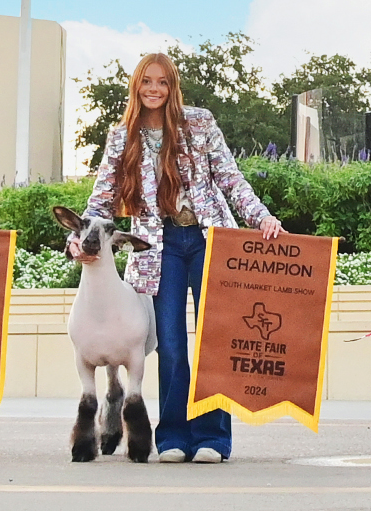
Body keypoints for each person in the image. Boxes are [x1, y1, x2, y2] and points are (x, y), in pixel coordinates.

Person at [70, 53, 285, 464]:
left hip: (208, 239)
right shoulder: (121, 137)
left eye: (162, 82)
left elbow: (229, 178)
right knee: (169, 344)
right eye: (146, 82)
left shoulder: (199, 122)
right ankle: (171, 436)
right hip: (157, 246)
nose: (154, 89)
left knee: (214, 338)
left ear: (173, 87)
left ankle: (212, 437)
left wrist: (262, 218)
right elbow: (101, 199)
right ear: (136, 86)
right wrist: (78, 238)